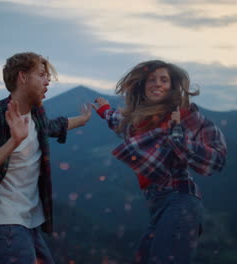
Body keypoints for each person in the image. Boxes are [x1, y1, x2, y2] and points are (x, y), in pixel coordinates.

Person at [0, 52, 92, 264]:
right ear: (22, 77)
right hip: (4, 221)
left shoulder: (36, 114)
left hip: (30, 220)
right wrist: (13, 141)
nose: (47, 80)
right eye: (41, 74)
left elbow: (50, 127)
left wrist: (82, 119)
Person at [93, 60, 227, 264]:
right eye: (151, 80)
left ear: (172, 86)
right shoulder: (138, 120)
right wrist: (104, 110)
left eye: (164, 80)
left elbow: (217, 160)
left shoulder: (185, 115)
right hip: (157, 204)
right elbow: (119, 122)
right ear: (143, 86)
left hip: (181, 200)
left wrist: (178, 137)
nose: (157, 84)